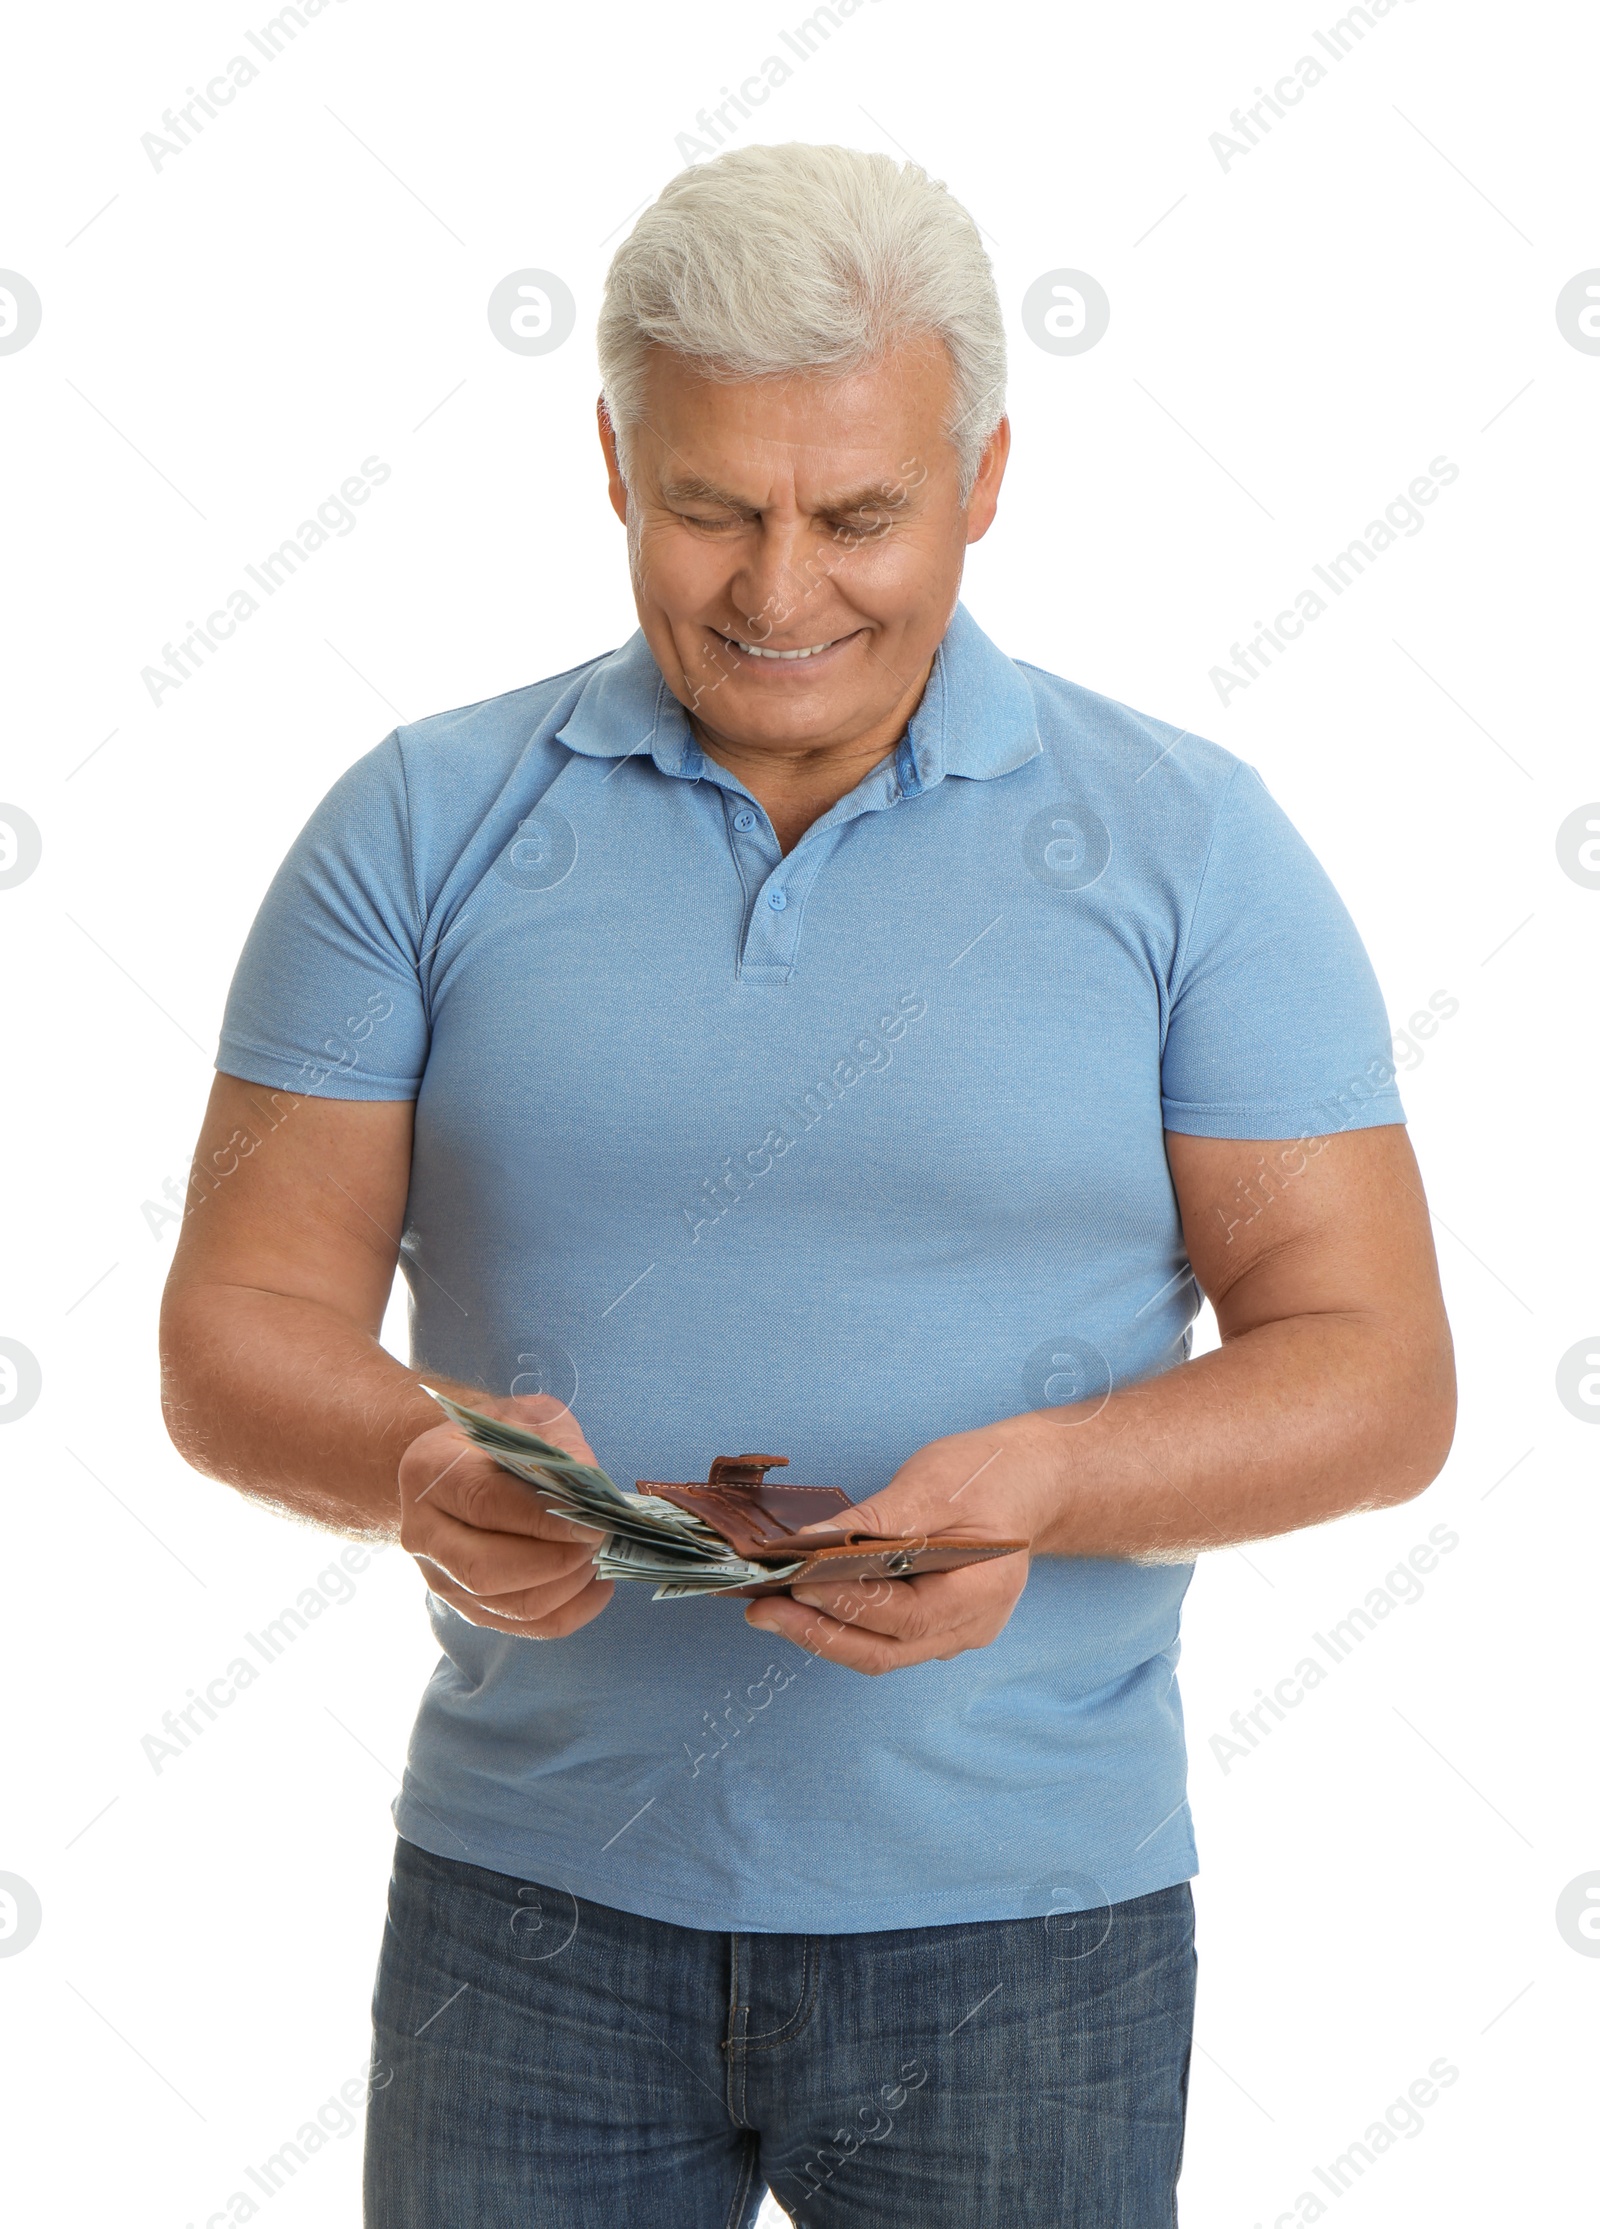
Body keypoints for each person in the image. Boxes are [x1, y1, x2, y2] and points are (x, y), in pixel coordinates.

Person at [159, 142, 1456, 2227]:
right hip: (529, 1919)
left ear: (983, 475)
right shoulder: (413, 824)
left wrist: (1047, 1477)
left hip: (1027, 1940)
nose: (778, 594)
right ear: (609, 459)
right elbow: (233, 1330)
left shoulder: (1191, 846)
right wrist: (419, 1455)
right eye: (708, 507)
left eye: (855, 513)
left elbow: (1377, 1372)